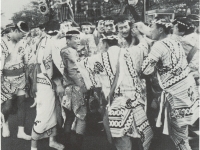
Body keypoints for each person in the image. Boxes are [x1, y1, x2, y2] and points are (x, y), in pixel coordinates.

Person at [76, 30, 153, 150]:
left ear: (105, 44)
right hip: (136, 100)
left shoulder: (99, 57)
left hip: (118, 102)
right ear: (118, 42)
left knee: (121, 136)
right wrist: (138, 35)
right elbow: (143, 47)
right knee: (137, 133)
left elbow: (81, 65)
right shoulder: (131, 52)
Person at [141, 17, 199, 150]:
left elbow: (146, 69)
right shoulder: (176, 41)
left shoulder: (159, 45)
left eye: (152, 27)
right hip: (188, 92)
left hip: (176, 96)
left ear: (160, 30)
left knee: (179, 137)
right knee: (181, 135)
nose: (150, 30)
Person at [30, 20, 64, 150]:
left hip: (42, 81)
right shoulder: (51, 42)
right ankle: (33, 146)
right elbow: (52, 65)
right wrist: (58, 83)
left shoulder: (43, 40)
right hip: (46, 83)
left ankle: (52, 140)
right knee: (44, 114)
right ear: (58, 29)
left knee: (53, 113)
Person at [1, 21, 31, 140]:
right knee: (7, 106)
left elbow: (27, 61)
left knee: (21, 104)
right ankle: (5, 124)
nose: (23, 37)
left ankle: (21, 131)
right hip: (6, 79)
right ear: (14, 31)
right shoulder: (2, 43)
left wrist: (28, 78)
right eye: (21, 34)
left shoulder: (23, 42)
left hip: (21, 77)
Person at [60, 30, 87, 150]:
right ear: (68, 40)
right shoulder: (70, 51)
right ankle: (77, 145)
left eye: (78, 38)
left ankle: (66, 143)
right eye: (75, 38)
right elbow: (72, 72)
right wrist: (82, 86)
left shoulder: (64, 50)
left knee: (69, 116)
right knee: (82, 116)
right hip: (75, 87)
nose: (77, 40)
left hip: (68, 88)